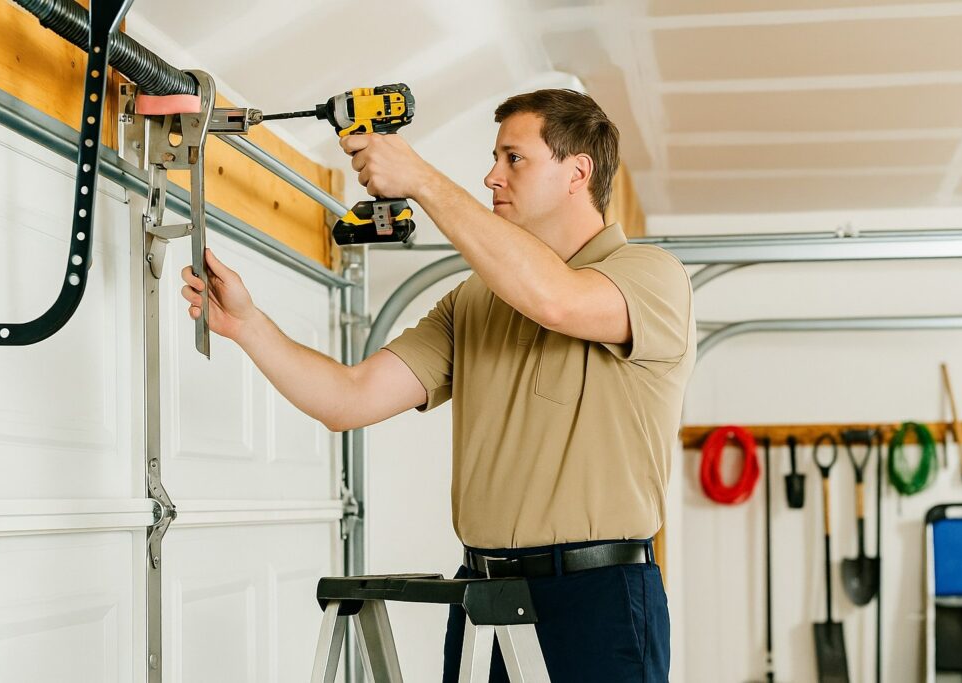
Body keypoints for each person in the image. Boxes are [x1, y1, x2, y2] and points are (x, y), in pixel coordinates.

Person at [181, 88, 695, 682]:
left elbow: (555, 299)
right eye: (494, 158)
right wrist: (250, 326)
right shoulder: (475, 300)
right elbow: (350, 399)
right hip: (485, 597)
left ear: (578, 171)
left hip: (597, 600)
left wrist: (422, 179)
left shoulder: (651, 277)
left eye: (513, 158)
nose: (491, 175)